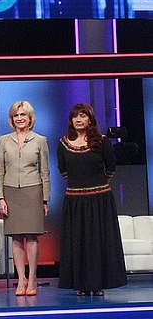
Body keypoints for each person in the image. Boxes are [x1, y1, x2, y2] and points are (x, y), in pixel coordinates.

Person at [57, 103, 126, 296]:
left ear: (90, 119)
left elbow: (110, 168)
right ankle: (81, 284)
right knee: (78, 242)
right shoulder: (63, 143)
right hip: (75, 200)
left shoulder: (102, 142)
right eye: (75, 117)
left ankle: (98, 284)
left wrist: (96, 186)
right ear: (71, 120)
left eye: (83, 116)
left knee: (97, 242)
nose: (78, 120)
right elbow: (63, 171)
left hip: (99, 200)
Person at [0, 101, 50, 296]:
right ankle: (21, 278)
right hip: (10, 191)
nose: (20, 118)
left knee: (32, 236)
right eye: (16, 115)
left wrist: (45, 199)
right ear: (12, 119)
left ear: (30, 118)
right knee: (16, 237)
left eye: (23, 115)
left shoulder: (40, 140)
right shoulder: (4, 140)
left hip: (33, 191)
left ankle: (33, 277)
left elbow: (44, 171)